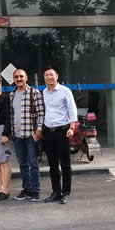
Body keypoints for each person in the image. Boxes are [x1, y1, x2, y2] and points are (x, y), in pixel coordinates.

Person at [41, 66, 78, 205]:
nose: (49, 77)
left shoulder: (65, 91)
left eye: (51, 75)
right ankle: (56, 192)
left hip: (62, 131)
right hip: (48, 132)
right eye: (46, 75)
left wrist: (72, 127)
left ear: (57, 76)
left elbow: (72, 109)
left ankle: (65, 192)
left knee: (65, 164)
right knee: (52, 164)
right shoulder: (44, 92)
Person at [9, 69, 45, 202]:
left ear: (26, 78)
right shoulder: (11, 95)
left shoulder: (34, 93)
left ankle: (35, 191)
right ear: (13, 79)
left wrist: (39, 129)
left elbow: (41, 113)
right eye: (16, 77)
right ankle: (26, 189)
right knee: (22, 164)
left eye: (21, 76)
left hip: (31, 134)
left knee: (33, 163)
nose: (18, 79)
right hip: (17, 135)